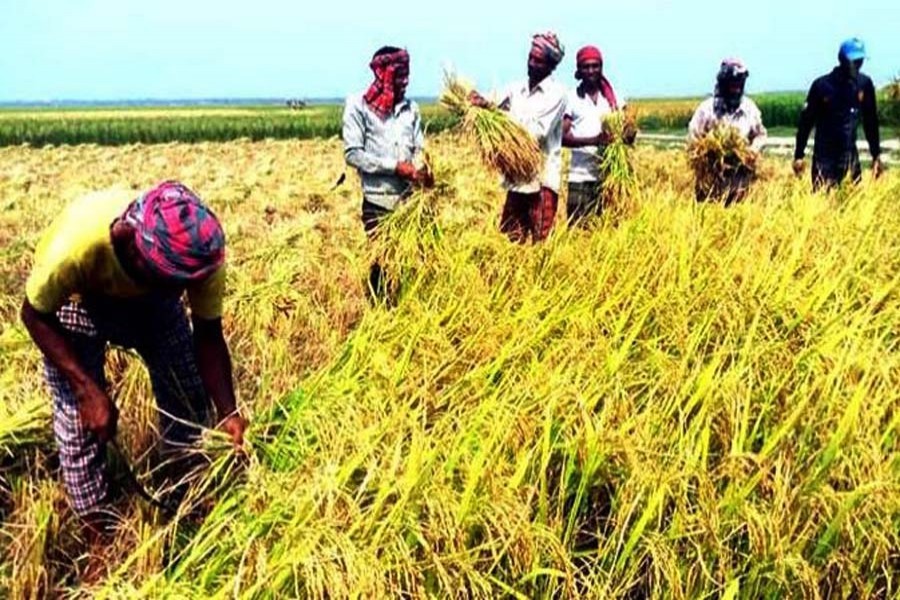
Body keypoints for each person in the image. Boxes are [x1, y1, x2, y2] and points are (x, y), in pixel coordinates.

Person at [20, 181, 247, 554]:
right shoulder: (77, 246)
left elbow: (208, 335)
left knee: (188, 396)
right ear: (132, 246)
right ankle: (98, 534)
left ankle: (186, 492)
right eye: (175, 283)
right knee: (79, 422)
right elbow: (34, 315)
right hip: (79, 300)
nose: (182, 292)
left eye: (185, 285)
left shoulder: (198, 258)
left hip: (151, 306)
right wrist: (86, 389)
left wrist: (229, 411)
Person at [342, 46, 433, 299]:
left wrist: (424, 168)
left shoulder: (410, 108)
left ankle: (406, 311)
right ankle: (380, 322)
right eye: (400, 75)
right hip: (378, 202)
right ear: (383, 74)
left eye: (407, 75)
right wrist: (395, 167)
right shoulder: (358, 106)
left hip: (409, 204)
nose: (405, 81)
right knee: (382, 267)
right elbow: (353, 154)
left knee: (411, 266)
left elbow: (418, 147)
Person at [471, 32, 568, 243]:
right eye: (530, 58)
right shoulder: (516, 89)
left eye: (539, 61)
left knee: (540, 244)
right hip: (517, 179)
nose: (532, 64)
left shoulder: (557, 94)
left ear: (551, 66)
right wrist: (476, 100)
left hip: (541, 180)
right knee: (510, 240)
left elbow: (537, 132)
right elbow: (490, 100)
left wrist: (500, 115)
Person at [793, 38, 884, 190]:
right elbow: (806, 123)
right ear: (842, 60)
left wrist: (876, 155)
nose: (857, 65)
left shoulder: (864, 84)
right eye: (854, 61)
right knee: (823, 201)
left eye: (860, 61)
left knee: (852, 201)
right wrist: (799, 155)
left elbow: (871, 121)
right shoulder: (822, 86)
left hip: (850, 154)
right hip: (824, 156)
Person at [562, 45, 630, 223]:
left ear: (601, 67)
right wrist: (594, 141)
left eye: (595, 66)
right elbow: (563, 137)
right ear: (578, 70)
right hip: (581, 176)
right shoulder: (571, 98)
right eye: (586, 67)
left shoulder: (614, 98)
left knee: (610, 229)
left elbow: (628, 135)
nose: (591, 70)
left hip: (609, 178)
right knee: (579, 232)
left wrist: (628, 134)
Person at [688, 58, 768, 205]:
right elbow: (694, 137)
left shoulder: (750, 109)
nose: (736, 89)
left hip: (740, 183)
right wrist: (708, 152)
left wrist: (751, 151)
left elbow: (761, 135)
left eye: (739, 85)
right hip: (711, 184)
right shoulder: (707, 110)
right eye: (732, 85)